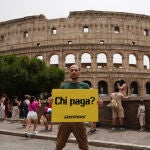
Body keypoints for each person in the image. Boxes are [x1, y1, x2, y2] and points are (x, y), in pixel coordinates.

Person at [55, 64, 102, 150]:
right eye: (72, 70)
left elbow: (92, 101)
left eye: (76, 70)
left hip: (79, 120)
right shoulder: (64, 86)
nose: (74, 72)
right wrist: (51, 100)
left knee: (84, 146)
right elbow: (57, 101)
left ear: (79, 72)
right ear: (69, 73)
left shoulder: (85, 86)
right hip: (65, 120)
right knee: (59, 145)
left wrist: (99, 102)